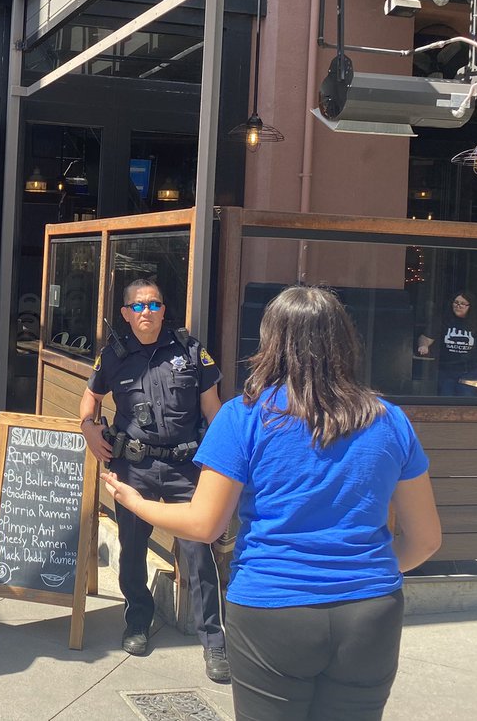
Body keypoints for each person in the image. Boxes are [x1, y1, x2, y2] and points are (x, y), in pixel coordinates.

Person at [104, 286, 442, 721]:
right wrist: (364, 572)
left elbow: (204, 524)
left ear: (271, 343)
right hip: (370, 610)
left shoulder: (244, 417)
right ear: (344, 340)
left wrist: (135, 501)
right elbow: (426, 540)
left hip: (271, 607)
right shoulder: (389, 420)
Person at [78, 279, 227, 680]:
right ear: (126, 313)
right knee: (132, 548)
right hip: (134, 468)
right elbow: (90, 398)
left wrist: (224, 464)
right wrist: (89, 428)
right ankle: (138, 621)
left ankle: (214, 641)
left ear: (164, 310)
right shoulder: (112, 355)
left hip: (186, 468)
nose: (147, 312)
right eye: (138, 306)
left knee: (199, 553)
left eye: (154, 305)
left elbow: (214, 411)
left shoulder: (191, 351)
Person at [417, 290, 477, 397]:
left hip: (470, 371)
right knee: (446, 397)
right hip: (446, 370)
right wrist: (423, 345)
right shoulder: (443, 320)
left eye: (463, 304)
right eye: (456, 302)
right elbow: (425, 338)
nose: (458, 306)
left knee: (466, 398)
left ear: (471, 306)